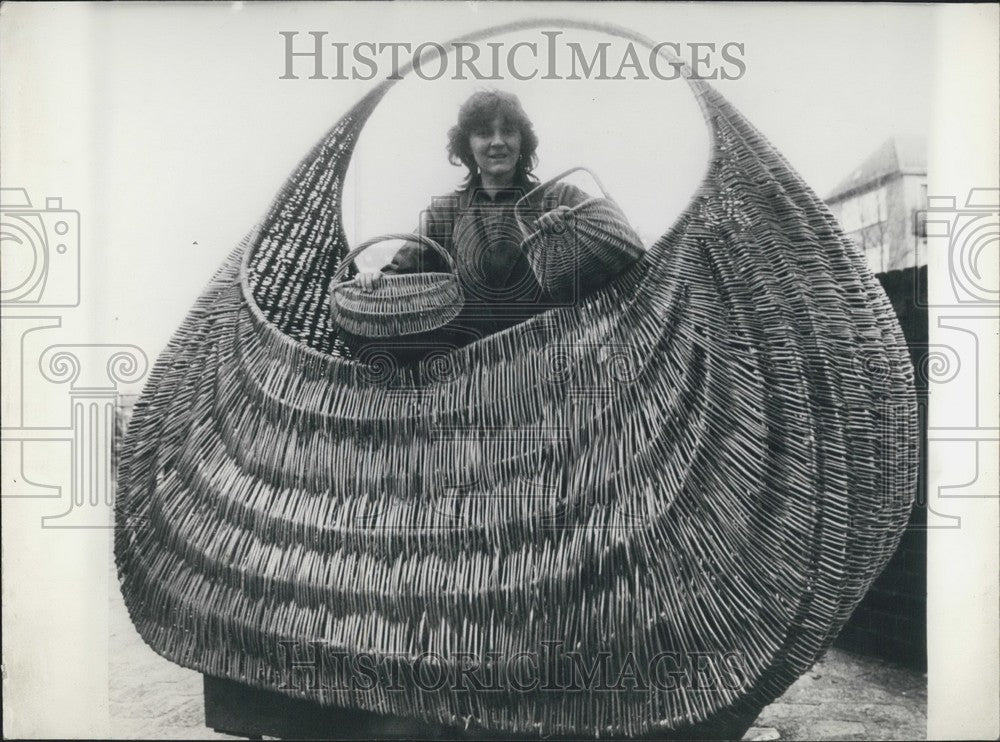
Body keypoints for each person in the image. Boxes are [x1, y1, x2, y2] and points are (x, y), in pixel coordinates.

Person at [354, 89, 593, 347]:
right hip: (470, 364)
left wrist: (575, 230)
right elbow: (403, 274)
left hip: (554, 355)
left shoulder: (560, 197)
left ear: (522, 139)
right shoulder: (444, 212)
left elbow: (616, 244)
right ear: (467, 145)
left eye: (508, 131)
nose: (498, 141)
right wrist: (375, 280)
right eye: (484, 133)